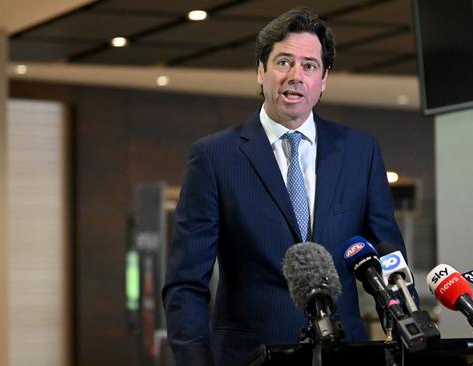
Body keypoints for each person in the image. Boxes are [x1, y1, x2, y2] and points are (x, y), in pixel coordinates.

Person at [162, 7, 412, 366]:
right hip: (249, 357)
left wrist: (407, 338)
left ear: (323, 80)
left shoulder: (360, 151)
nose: (296, 76)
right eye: (284, 62)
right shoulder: (214, 156)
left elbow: (390, 260)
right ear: (261, 71)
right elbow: (186, 283)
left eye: (310, 66)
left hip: (345, 354)